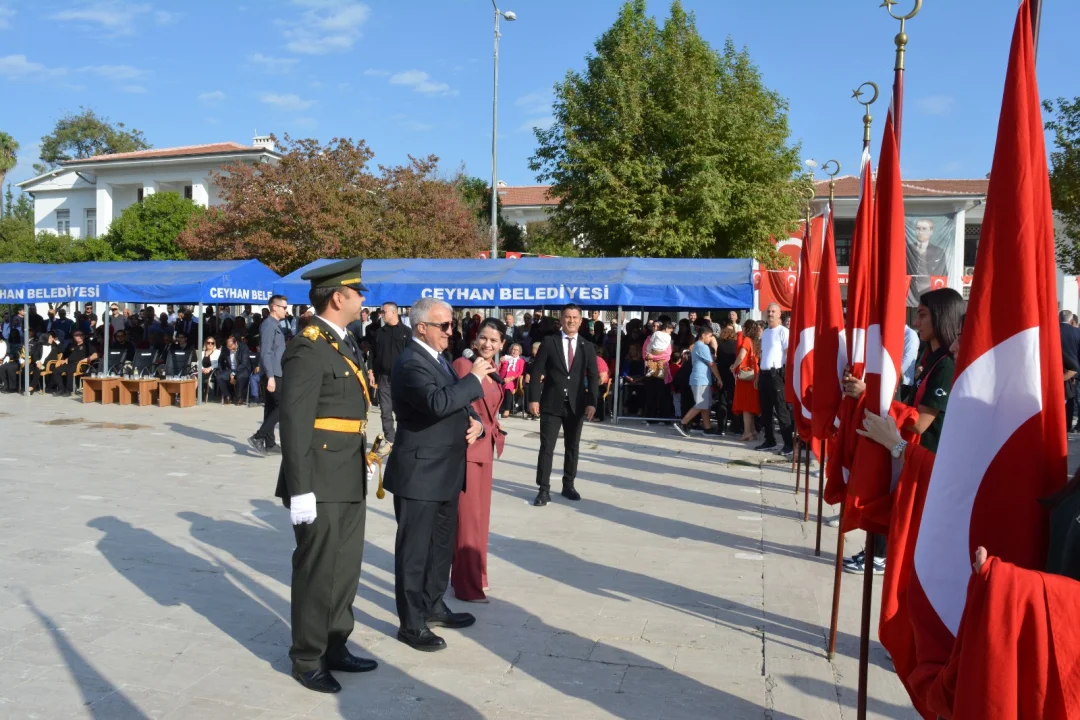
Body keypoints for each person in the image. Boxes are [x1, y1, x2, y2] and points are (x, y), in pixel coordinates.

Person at [274, 258, 377, 694]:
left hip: (348, 472)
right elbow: (294, 424)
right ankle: (307, 657)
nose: (364, 299)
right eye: (359, 292)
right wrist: (300, 491)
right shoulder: (308, 346)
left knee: (346, 567)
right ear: (339, 297)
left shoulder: (345, 341)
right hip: (318, 477)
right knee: (318, 570)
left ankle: (336, 642)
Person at [383, 297, 489, 652]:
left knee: (440, 547)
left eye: (452, 324)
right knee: (414, 553)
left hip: (444, 470)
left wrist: (474, 422)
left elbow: (450, 403)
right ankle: (411, 624)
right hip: (420, 472)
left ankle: (432, 604)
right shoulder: (410, 362)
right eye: (444, 325)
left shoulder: (437, 358)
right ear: (421, 327)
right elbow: (436, 403)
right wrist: (473, 379)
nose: (451, 332)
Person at [451, 318, 506, 603]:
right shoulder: (464, 365)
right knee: (468, 521)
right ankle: (466, 585)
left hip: (486, 449)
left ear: (502, 345)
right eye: (483, 338)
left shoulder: (493, 369)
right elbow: (459, 405)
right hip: (469, 449)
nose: (487, 344)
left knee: (480, 519)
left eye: (494, 341)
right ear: (475, 339)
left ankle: (477, 576)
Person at [528, 303, 599, 506]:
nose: (571, 321)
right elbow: (537, 371)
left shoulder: (587, 346)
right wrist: (533, 398)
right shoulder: (549, 342)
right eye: (567, 317)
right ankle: (543, 489)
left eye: (575, 317)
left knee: (572, 447)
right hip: (551, 403)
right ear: (561, 319)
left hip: (576, 405)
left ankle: (568, 485)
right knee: (547, 447)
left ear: (580, 321)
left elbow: (593, 376)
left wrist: (592, 402)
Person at [249, 296, 289, 455]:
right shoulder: (268, 326)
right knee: (283, 406)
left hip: (277, 371)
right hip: (273, 373)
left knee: (271, 407)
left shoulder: (275, 325)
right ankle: (258, 436)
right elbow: (265, 353)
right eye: (284, 307)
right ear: (274, 307)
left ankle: (270, 443)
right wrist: (270, 376)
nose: (287, 310)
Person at [372, 302, 412, 455]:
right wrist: (371, 371)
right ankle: (390, 439)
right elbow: (374, 354)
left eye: (384, 311)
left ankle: (404, 438)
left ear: (394, 312)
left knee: (403, 409)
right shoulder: (380, 332)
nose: (382, 314)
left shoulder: (406, 332)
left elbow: (411, 356)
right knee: (385, 410)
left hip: (401, 378)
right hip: (383, 377)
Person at [757, 303, 794, 455]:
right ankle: (770, 440)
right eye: (769, 311)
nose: (770, 314)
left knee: (781, 410)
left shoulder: (783, 332)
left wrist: (786, 375)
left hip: (776, 374)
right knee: (765, 410)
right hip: (764, 374)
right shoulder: (765, 332)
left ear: (780, 314)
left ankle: (788, 444)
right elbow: (763, 354)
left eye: (773, 311)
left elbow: (789, 354)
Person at [674, 325, 722, 436]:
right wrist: (719, 378)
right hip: (700, 380)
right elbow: (712, 364)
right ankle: (683, 423)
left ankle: (707, 428)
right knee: (701, 404)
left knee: (705, 405)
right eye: (710, 336)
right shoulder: (703, 347)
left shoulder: (697, 345)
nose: (710, 339)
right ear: (703, 335)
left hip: (701, 379)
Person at [731, 320, 762, 442]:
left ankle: (747, 432)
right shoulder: (756, 342)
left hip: (745, 378)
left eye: (743, 327)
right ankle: (752, 431)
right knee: (750, 406)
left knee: (745, 407)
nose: (742, 329)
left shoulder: (747, 340)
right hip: (754, 376)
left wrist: (734, 366)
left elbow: (741, 356)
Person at [643, 320, 674, 423]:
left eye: (657, 326)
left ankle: (664, 417)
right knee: (650, 393)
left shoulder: (667, 339)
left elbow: (667, 355)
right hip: (650, 367)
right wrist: (650, 357)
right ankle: (650, 418)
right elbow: (645, 354)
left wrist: (653, 356)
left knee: (663, 394)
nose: (655, 328)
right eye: (653, 326)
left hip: (662, 367)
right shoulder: (648, 339)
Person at [217, 335, 253, 406]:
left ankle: (239, 397)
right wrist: (223, 371)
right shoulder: (225, 349)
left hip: (243, 369)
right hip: (231, 369)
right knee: (219, 377)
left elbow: (244, 363)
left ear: (236, 343)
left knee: (240, 376)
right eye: (229, 347)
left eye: (232, 347)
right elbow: (220, 361)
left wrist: (233, 373)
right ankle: (228, 396)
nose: (231, 349)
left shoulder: (243, 347)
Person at [498, 343, 525, 418]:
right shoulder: (505, 358)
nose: (514, 351)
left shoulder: (521, 361)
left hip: (513, 380)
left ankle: (507, 409)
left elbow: (520, 372)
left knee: (507, 386)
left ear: (519, 352)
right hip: (501, 378)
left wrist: (511, 378)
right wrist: (500, 362)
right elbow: (498, 368)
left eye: (517, 350)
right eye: (513, 349)